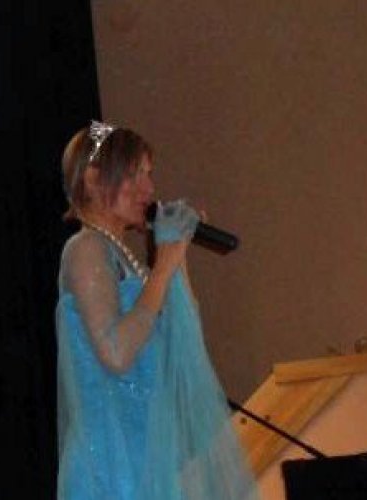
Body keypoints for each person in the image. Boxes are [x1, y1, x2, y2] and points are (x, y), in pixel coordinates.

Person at [56, 121, 257, 499]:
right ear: (94, 180)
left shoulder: (126, 259)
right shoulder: (85, 249)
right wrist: (163, 266)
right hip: (110, 467)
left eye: (149, 174)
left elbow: (184, 334)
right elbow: (116, 353)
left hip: (147, 459)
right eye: (134, 175)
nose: (149, 189)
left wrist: (176, 256)